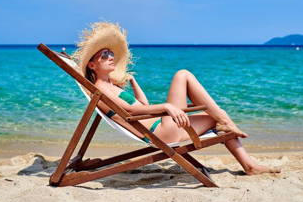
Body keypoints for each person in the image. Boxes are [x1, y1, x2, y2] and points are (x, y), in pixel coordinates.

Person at [72, 22, 280, 175]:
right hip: (161, 132)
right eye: (104, 55)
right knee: (183, 75)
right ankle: (227, 124)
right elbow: (133, 113)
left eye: (111, 54)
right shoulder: (100, 89)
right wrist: (168, 107)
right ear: (92, 65)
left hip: (162, 128)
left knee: (216, 117)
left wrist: (134, 83)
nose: (111, 57)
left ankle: (248, 165)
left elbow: (142, 105)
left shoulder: (110, 86)